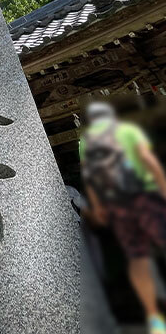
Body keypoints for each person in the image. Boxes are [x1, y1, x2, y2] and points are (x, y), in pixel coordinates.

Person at [81, 101, 166, 334]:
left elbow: (90, 177)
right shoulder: (127, 132)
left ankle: (153, 316)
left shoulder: (87, 141)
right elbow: (149, 161)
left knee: (138, 257)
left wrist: (98, 207)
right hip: (146, 197)